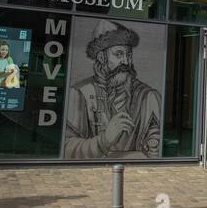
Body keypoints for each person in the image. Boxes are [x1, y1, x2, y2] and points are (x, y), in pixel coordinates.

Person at [64, 20, 162, 159]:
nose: (126, 62)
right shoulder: (80, 93)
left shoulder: (148, 96)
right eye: (118, 54)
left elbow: (155, 138)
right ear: (101, 57)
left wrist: (153, 143)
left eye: (128, 55)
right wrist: (105, 139)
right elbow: (67, 149)